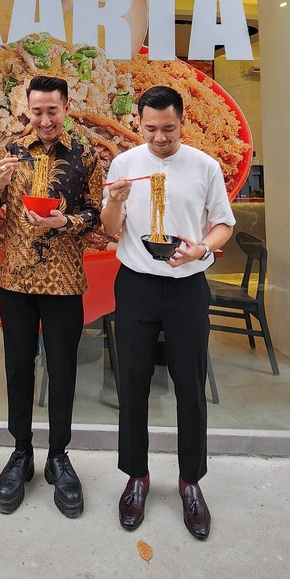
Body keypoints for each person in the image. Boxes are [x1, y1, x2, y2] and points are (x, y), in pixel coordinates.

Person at [101, 84, 234, 541]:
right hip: (136, 285)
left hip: (187, 287)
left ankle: (190, 481)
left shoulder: (204, 165)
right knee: (132, 380)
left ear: (184, 121)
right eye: (151, 128)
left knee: (189, 383)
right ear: (139, 123)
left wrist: (201, 249)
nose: (160, 137)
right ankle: (136, 477)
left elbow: (223, 224)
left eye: (169, 128)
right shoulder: (125, 163)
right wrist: (115, 201)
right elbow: (109, 230)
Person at [0, 74, 103, 519]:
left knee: (63, 368)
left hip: (65, 278)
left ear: (66, 107)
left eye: (53, 110)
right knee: (16, 367)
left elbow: (96, 214)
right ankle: (21, 453)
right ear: (26, 110)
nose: (45, 119)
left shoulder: (85, 152)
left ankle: (59, 456)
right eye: (37, 111)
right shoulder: (11, 151)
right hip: (14, 279)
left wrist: (65, 223)